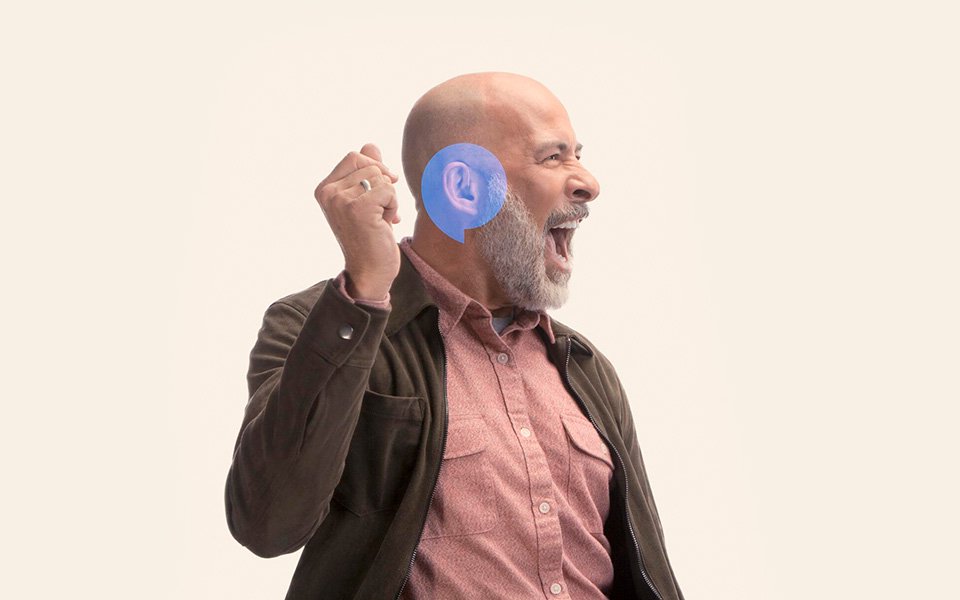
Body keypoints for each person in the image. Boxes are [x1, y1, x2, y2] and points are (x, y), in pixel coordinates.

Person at [225, 72, 684, 600]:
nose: (588, 183)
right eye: (553, 157)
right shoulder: (321, 326)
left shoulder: (582, 366)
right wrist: (368, 289)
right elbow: (268, 522)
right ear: (465, 187)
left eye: (577, 155)